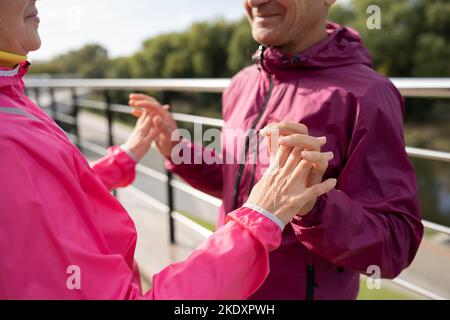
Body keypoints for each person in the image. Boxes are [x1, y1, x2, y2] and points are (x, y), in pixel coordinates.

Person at [0, 0, 337, 299]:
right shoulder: (8, 135)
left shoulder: (12, 96)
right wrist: (261, 218)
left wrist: (150, 154)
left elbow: (49, 191)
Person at [131, 0, 424, 299]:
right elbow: (238, 183)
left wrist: (313, 206)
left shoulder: (369, 95)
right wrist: (178, 149)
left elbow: (395, 245)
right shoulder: (241, 84)